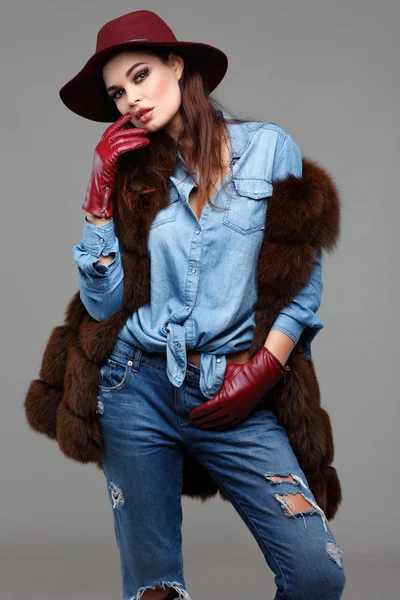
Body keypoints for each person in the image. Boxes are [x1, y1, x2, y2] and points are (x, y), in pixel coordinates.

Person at [37, 9, 347, 600]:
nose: (130, 98)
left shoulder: (267, 150)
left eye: (140, 75)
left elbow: (301, 281)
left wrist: (264, 370)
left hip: (232, 385)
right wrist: (98, 198)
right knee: (156, 591)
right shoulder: (129, 177)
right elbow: (103, 306)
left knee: (316, 574)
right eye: (117, 92)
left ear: (178, 66)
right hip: (134, 388)